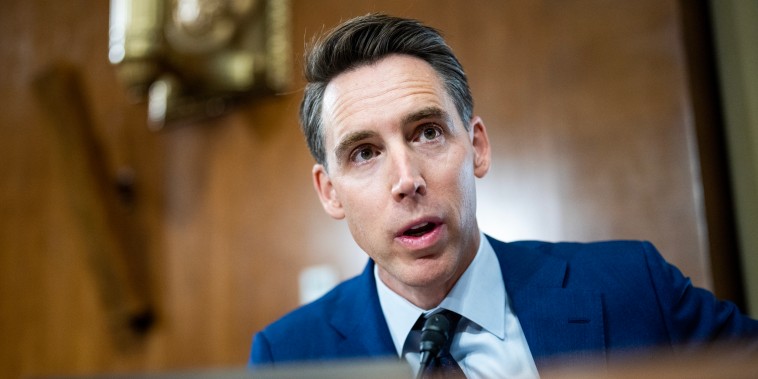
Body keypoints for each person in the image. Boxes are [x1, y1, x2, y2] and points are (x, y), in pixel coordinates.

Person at [249, 13, 758, 377]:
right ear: (330, 191)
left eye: (427, 132)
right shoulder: (287, 356)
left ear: (476, 148)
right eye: (363, 153)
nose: (406, 179)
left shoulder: (633, 286)